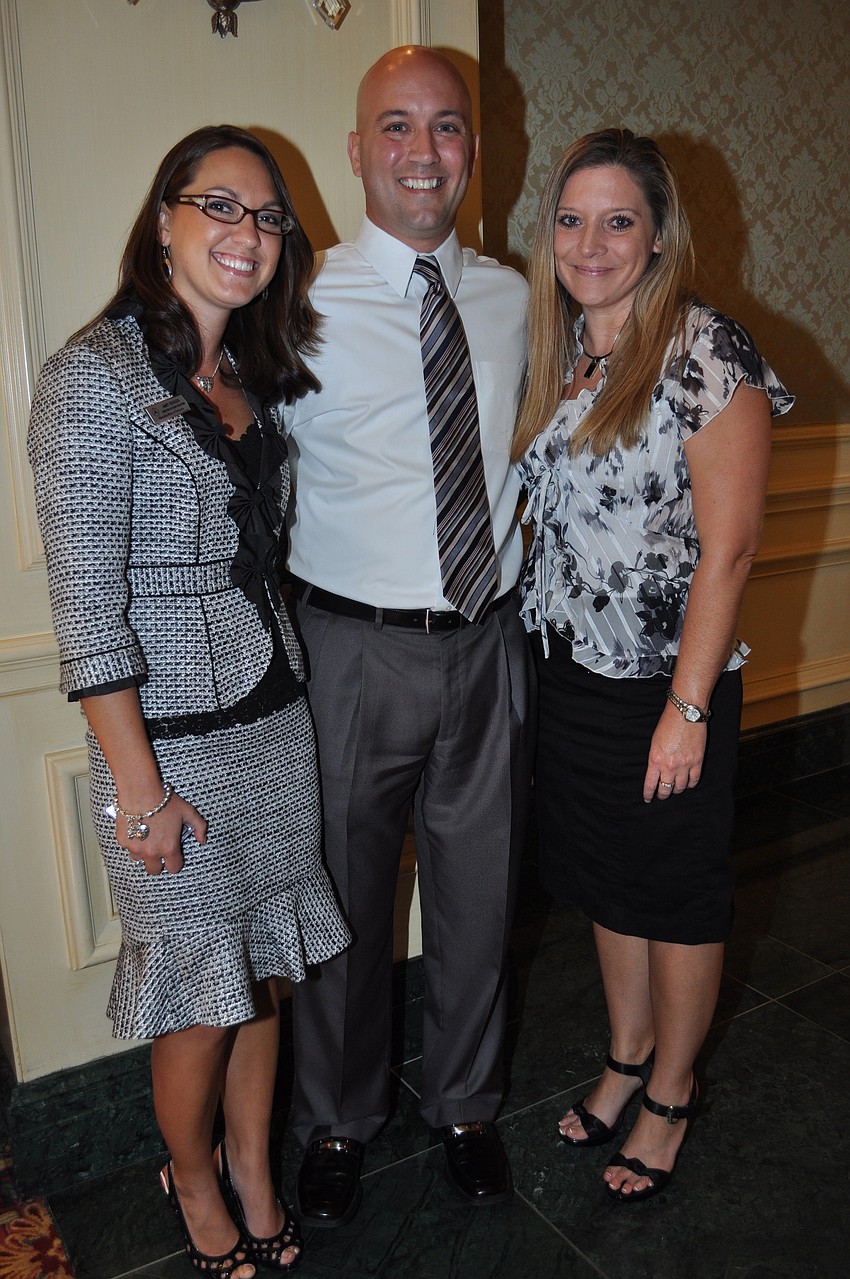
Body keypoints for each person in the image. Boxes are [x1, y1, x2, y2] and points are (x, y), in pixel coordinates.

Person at [28, 125, 351, 1275]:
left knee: (260, 967)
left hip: (271, 722)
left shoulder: (244, 376)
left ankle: (258, 1166)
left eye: (266, 218)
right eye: (221, 206)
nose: (246, 235)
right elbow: (87, 608)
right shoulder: (90, 379)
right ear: (163, 218)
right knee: (197, 996)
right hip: (166, 750)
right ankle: (199, 1185)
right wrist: (140, 791)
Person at [513, 128, 793, 1203]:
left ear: (658, 234)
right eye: (571, 219)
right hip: (569, 672)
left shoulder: (700, 347)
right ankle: (626, 1054)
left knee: (672, 891)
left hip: (666, 684)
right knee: (602, 878)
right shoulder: (566, 348)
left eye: (617, 219)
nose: (589, 241)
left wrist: (686, 708)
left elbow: (729, 547)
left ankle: (672, 1090)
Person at [282, 46, 534, 1224]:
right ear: (356, 151)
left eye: (444, 129)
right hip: (354, 649)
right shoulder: (295, 298)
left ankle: (469, 1105)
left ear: (473, 152)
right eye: (396, 127)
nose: (422, 153)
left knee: (479, 893)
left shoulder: (514, 294)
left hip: (488, 640)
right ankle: (337, 1120)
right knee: (340, 899)